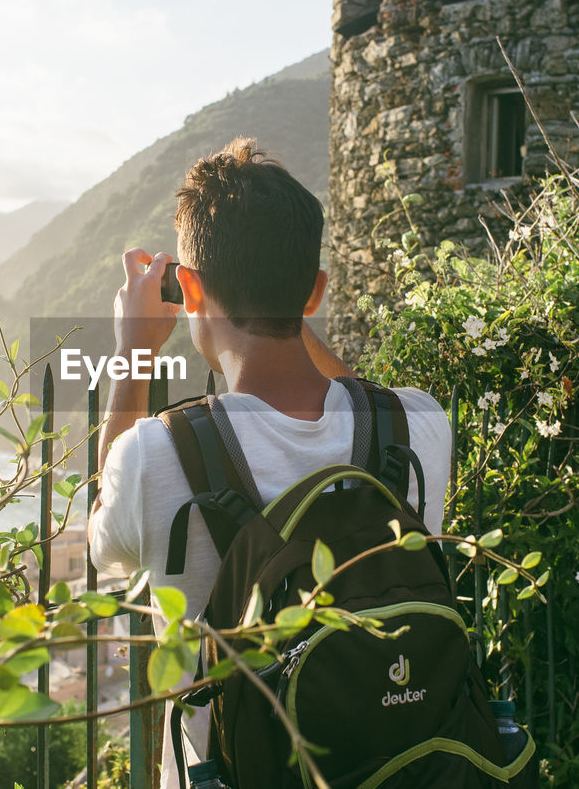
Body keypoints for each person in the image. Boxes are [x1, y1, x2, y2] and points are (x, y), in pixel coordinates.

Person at [87, 137, 453, 785]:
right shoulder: (418, 424)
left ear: (190, 290)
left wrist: (133, 351)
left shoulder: (157, 453)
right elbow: (360, 400)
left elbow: (103, 540)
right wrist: (280, 286)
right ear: (314, 293)